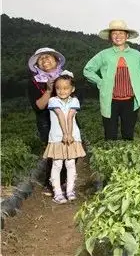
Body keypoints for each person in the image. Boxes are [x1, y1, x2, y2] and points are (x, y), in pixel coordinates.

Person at [83, 20, 140, 140]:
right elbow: (87, 70)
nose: (118, 36)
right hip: (110, 100)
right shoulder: (104, 54)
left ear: (127, 36)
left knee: (128, 134)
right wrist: (100, 82)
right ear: (110, 37)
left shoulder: (136, 55)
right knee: (110, 135)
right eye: (114, 33)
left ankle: (127, 158)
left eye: (121, 33)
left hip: (130, 100)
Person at [27, 47, 70, 196]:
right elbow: (38, 106)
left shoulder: (66, 77)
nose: (45, 60)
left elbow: (76, 99)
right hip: (46, 120)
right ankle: (51, 183)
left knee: (70, 151)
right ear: (37, 65)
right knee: (54, 152)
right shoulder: (34, 82)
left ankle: (63, 181)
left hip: (66, 119)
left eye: (48, 57)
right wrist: (49, 89)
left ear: (56, 60)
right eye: (41, 59)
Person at [42, 71, 86, 204]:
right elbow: (61, 115)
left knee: (71, 164)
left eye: (66, 88)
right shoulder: (53, 100)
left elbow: (70, 115)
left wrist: (69, 134)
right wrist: (65, 134)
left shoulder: (75, 100)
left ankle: (70, 190)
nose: (62, 91)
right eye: (58, 88)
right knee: (57, 164)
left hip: (73, 137)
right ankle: (57, 192)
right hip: (57, 138)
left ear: (72, 89)